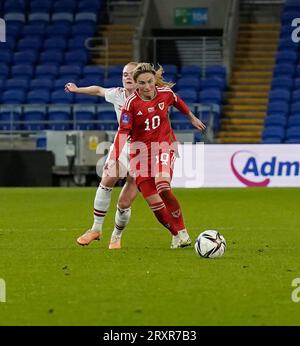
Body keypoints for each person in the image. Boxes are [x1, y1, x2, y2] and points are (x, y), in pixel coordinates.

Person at [110, 63, 206, 248]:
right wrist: (115, 157)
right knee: (154, 203)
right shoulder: (130, 105)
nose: (147, 87)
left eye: (149, 82)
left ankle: (183, 231)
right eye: (142, 83)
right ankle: (176, 235)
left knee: (162, 187)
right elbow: (123, 133)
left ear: (155, 80)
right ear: (136, 84)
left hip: (163, 146)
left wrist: (191, 117)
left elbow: (177, 100)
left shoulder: (165, 94)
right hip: (140, 154)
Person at [65, 62, 139, 249]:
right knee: (107, 180)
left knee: (124, 201)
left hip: (144, 149)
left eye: (131, 74)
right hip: (122, 144)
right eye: (124, 74)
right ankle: (95, 228)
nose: (127, 77)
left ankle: (116, 235)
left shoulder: (149, 96)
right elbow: (98, 90)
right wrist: (77, 89)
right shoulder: (118, 94)